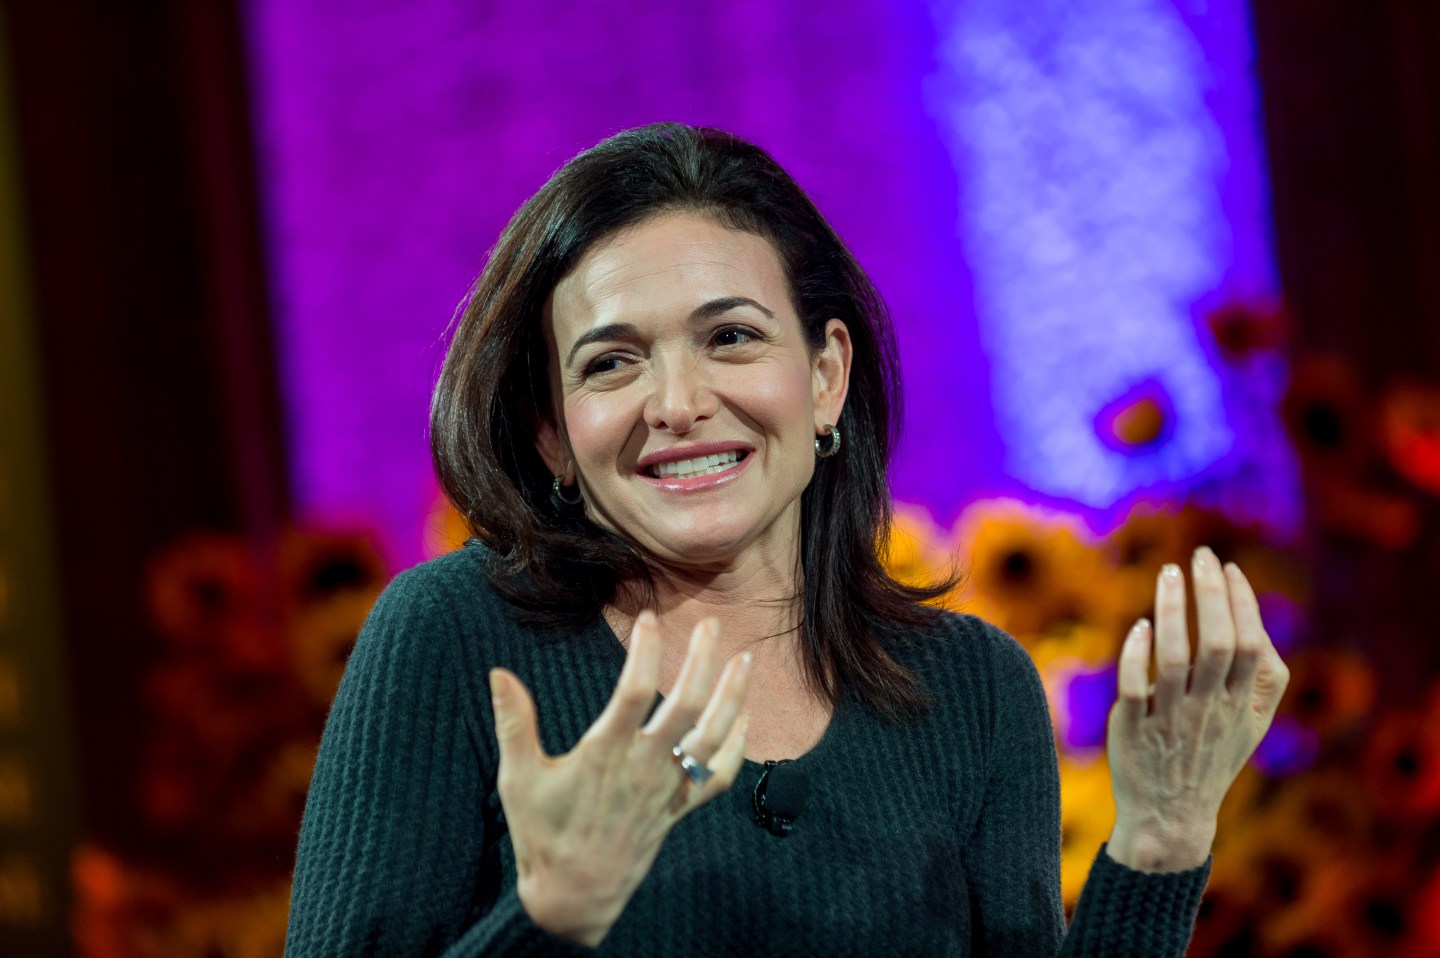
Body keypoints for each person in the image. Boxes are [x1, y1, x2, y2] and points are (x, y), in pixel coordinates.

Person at [284, 123, 1289, 956]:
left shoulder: (973, 690)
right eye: (611, 362)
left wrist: (1161, 837)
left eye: (731, 338)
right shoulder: (453, 641)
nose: (677, 403)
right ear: (551, 431)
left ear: (825, 377)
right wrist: (551, 919)